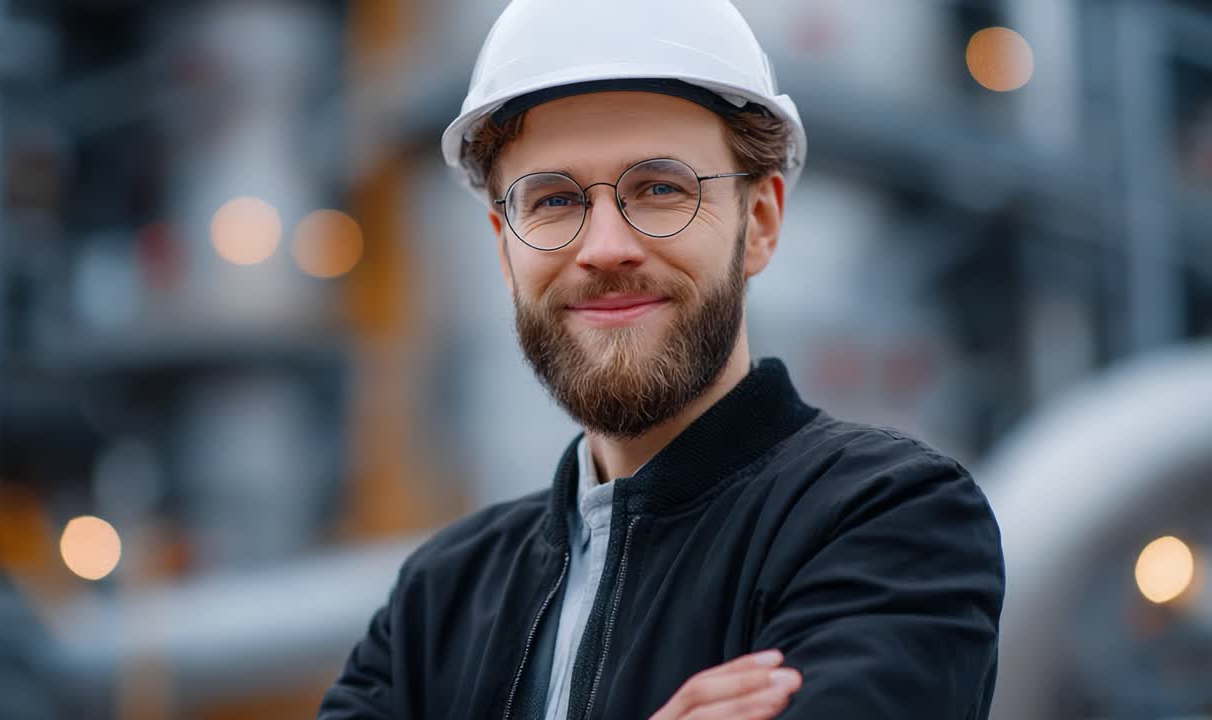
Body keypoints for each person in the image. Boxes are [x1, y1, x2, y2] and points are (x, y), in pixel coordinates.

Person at [319, 1, 1005, 718]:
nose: (605, 246)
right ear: (503, 245)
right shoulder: (438, 601)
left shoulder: (887, 524)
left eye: (659, 190)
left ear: (761, 222)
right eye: (553, 200)